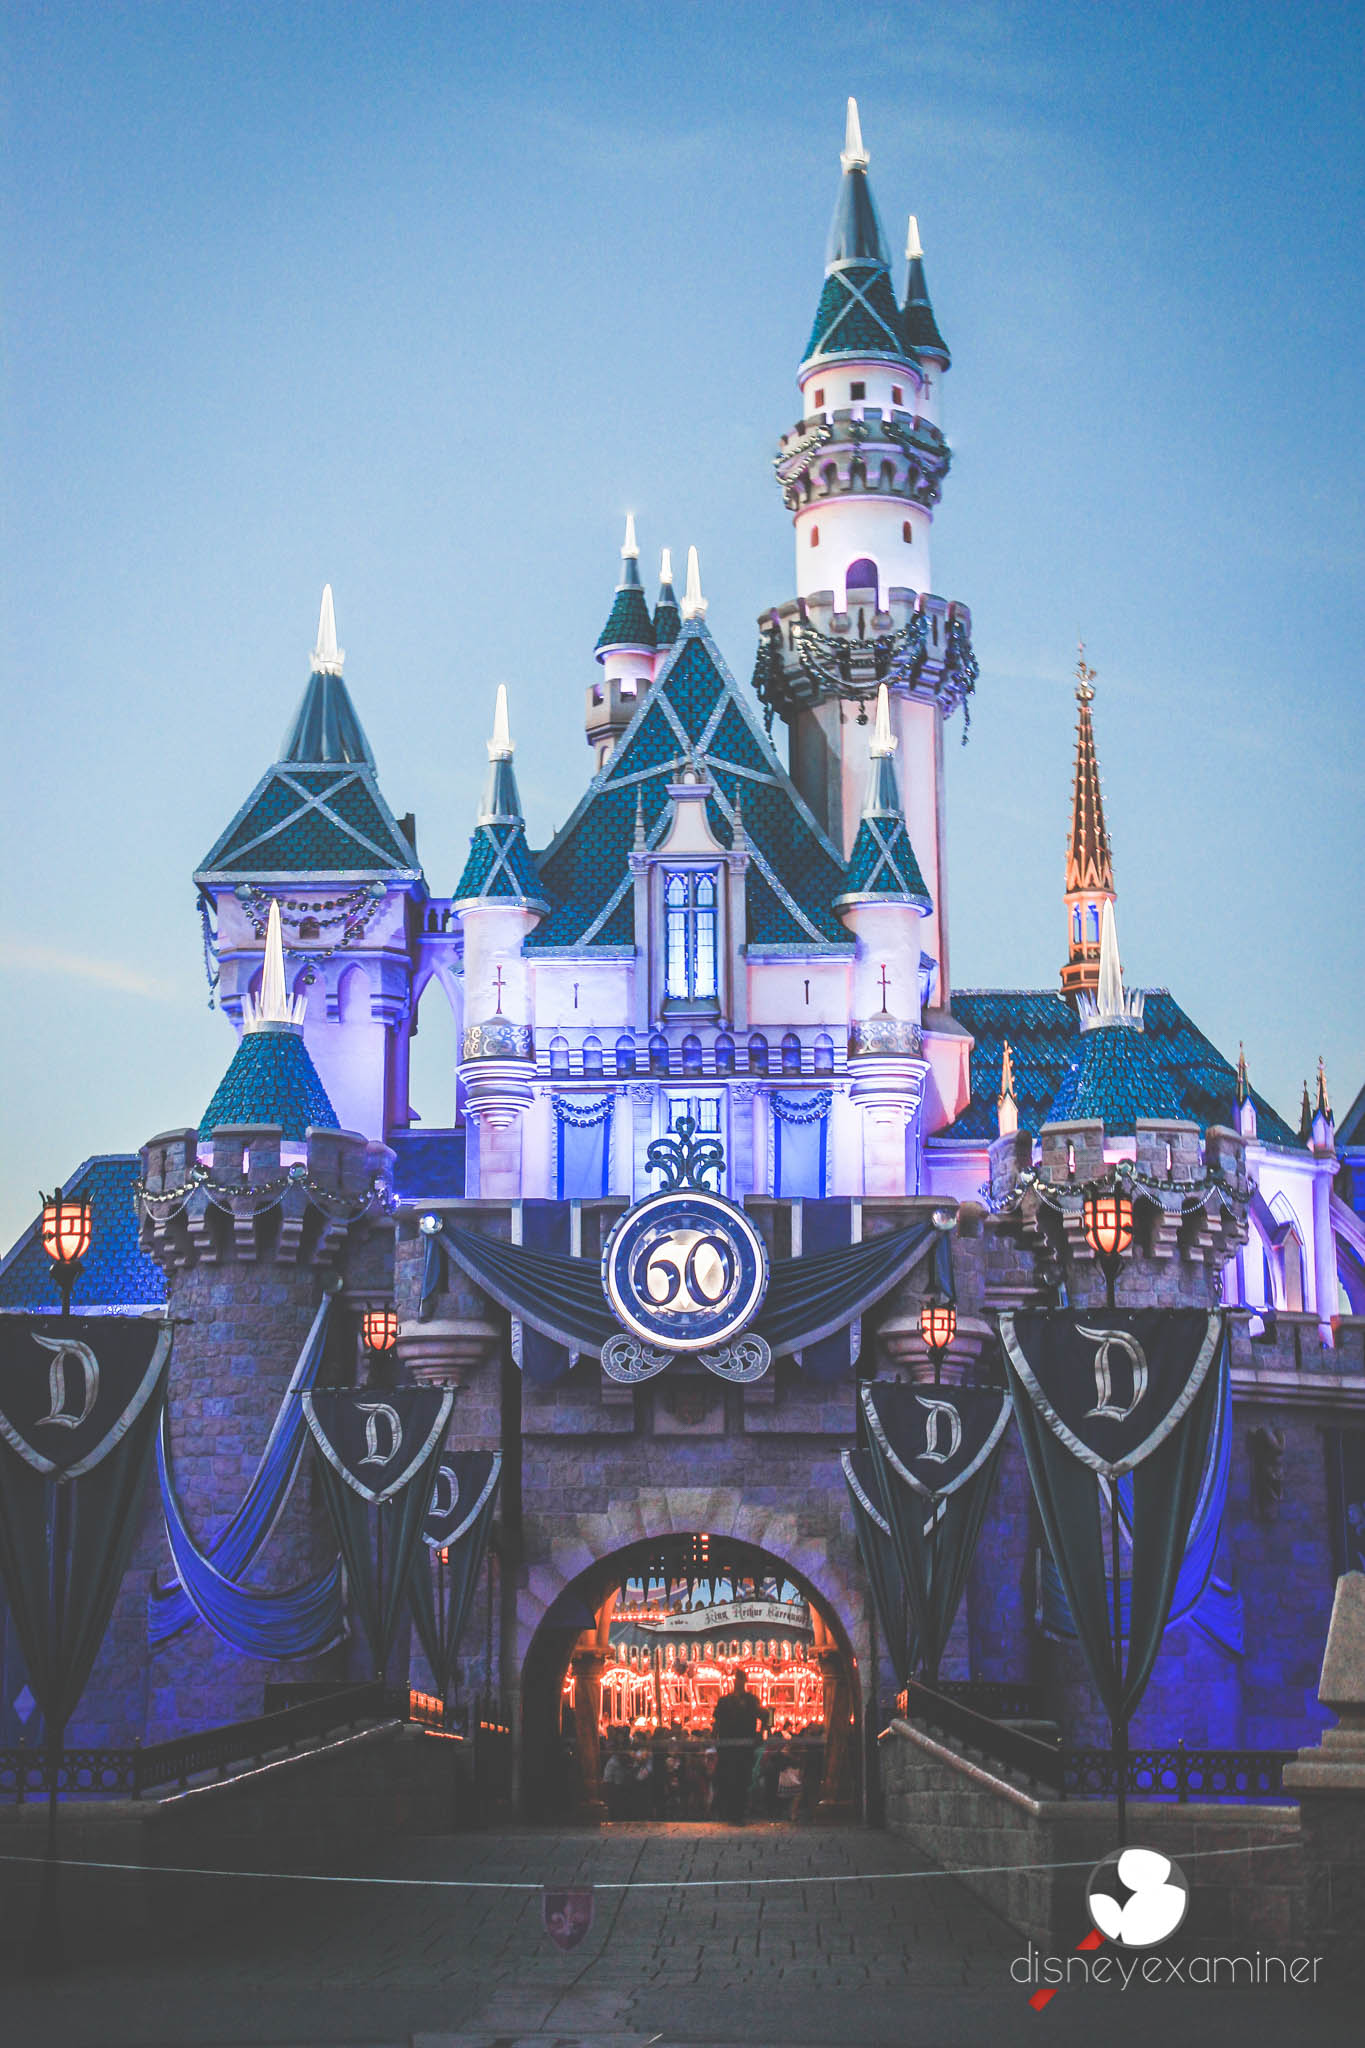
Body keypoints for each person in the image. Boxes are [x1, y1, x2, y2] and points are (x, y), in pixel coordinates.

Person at [712, 1670, 764, 1824]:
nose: (738, 1682)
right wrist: (715, 1738)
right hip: (730, 1747)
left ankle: (737, 1813)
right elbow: (717, 1722)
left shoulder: (751, 1701)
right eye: (737, 1679)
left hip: (740, 1747)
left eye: (740, 1679)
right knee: (730, 1779)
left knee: (740, 1779)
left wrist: (761, 1733)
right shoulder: (725, 1701)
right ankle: (731, 1812)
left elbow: (766, 1715)